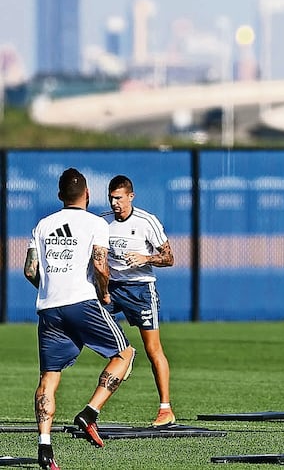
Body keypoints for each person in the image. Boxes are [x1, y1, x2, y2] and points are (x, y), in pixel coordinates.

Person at [23, 168, 136, 470]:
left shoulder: (43, 225)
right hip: (82, 301)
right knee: (125, 354)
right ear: (87, 195)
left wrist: (50, 289)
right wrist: (106, 295)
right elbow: (100, 266)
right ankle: (89, 413)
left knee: (48, 380)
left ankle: (44, 448)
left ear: (60, 196)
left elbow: (30, 271)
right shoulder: (95, 223)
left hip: (48, 307)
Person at [105, 174, 176, 427]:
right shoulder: (102, 222)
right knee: (86, 327)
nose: (115, 203)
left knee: (153, 348)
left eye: (119, 198)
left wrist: (145, 259)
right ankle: (125, 352)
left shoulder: (147, 221)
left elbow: (169, 258)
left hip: (141, 291)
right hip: (111, 289)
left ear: (130, 197)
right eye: (111, 198)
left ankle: (165, 409)